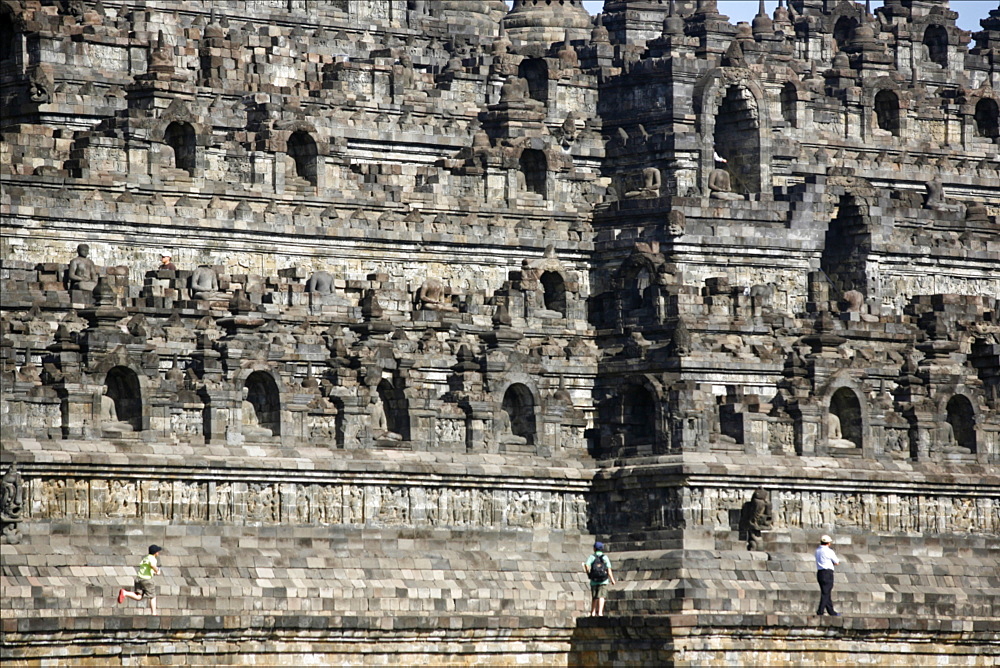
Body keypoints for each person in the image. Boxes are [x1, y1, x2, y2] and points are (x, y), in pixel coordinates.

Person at [118, 544, 163, 615]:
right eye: (158, 551)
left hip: (139, 578)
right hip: (147, 580)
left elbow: (146, 568)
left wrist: (154, 572)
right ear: (155, 553)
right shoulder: (152, 558)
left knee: (139, 596)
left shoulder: (146, 558)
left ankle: (125, 593)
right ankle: (154, 613)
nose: (158, 553)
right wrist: (157, 571)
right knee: (153, 596)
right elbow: (152, 565)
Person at [583, 541, 616, 617]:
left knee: (594, 597)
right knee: (602, 596)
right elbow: (608, 569)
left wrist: (589, 573)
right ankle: (600, 612)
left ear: (594, 549)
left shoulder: (592, 557)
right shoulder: (605, 557)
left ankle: (593, 612)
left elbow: (586, 565)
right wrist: (612, 580)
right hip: (603, 580)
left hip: (594, 580)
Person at [815, 535, 840, 616]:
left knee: (826, 592)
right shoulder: (829, 551)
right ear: (828, 543)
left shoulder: (817, 550)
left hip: (820, 572)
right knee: (826, 593)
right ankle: (820, 611)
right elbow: (836, 562)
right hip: (827, 573)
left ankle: (831, 611)